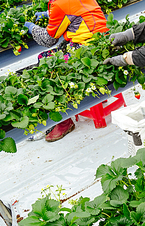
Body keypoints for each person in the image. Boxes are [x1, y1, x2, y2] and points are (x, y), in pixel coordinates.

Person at [24, 0, 108, 142]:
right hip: (102, 44)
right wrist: (48, 14)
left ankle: (62, 121)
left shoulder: (59, 3)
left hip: (84, 52)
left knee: (45, 62)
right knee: (58, 52)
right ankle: (99, 95)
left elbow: (48, 39)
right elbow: (76, 11)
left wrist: (32, 28)